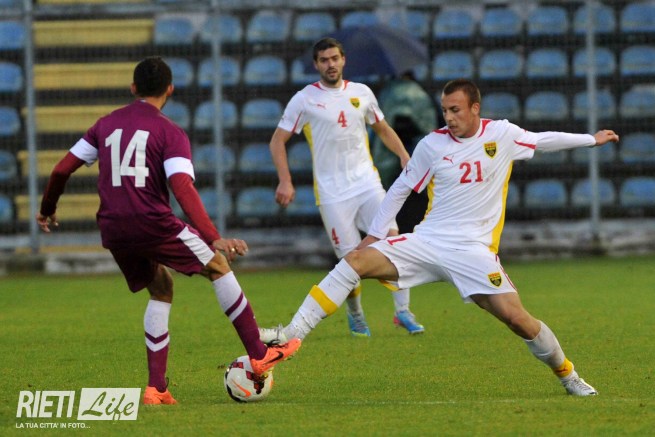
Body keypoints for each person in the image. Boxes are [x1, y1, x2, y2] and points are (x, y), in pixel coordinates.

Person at [261, 78, 620, 396]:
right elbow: (400, 189)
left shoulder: (502, 134)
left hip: (474, 251)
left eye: (455, 110)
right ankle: (290, 334)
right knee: (354, 260)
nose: (448, 117)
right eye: (445, 110)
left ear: (475, 108)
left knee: (517, 319)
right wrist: (374, 236)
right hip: (428, 241)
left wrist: (592, 140)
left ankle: (568, 375)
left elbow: (543, 141)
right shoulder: (432, 145)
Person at [35, 56, 301, 405]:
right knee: (218, 266)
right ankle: (259, 353)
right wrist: (213, 236)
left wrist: (47, 208)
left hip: (113, 228)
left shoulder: (105, 125)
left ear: (133, 88)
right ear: (170, 90)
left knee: (161, 288)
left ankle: (156, 388)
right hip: (152, 222)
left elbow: (60, 170)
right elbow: (182, 187)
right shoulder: (169, 132)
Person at [268, 37, 425, 336]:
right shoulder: (304, 99)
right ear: (316, 65)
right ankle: (356, 314)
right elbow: (277, 141)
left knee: (393, 240)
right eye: (324, 60)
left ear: (343, 60)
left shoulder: (361, 93)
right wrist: (285, 180)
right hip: (332, 193)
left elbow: (382, 128)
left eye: (334, 58)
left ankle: (403, 311)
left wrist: (404, 155)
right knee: (348, 259)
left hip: (367, 183)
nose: (330, 64)